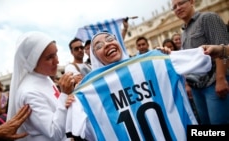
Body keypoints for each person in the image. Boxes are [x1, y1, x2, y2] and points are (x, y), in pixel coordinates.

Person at [65, 31, 212, 140]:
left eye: (110, 38)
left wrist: (165, 57)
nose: (107, 43)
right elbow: (204, 60)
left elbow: (205, 56)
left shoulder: (155, 60)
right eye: (98, 45)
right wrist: (70, 99)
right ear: (95, 57)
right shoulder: (87, 92)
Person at [7, 31, 75, 141]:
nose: (57, 61)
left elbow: (56, 108)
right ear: (33, 61)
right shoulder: (29, 91)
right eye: (49, 57)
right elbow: (54, 132)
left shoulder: (43, 76)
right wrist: (64, 94)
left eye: (56, 54)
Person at [172, 0, 229, 124]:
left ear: (192, 1)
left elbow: (223, 47)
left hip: (213, 83)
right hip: (197, 89)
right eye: (174, 7)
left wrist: (221, 78)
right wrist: (188, 84)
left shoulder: (208, 18)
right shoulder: (184, 33)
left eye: (181, 3)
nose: (178, 8)